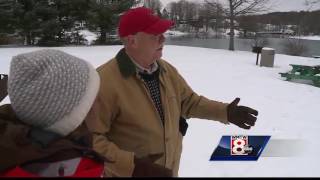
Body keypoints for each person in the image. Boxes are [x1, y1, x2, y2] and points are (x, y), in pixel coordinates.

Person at [86, 7, 258, 177]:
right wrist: (132, 167)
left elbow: (190, 102)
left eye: (163, 33)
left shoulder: (166, 70)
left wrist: (225, 112)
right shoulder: (104, 82)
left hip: (169, 171)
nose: (163, 39)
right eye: (155, 35)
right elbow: (91, 140)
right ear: (132, 41)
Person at [0, 49, 108, 177]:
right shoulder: (75, 169)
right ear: (72, 112)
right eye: (94, 98)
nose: (100, 103)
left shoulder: (10, 147)